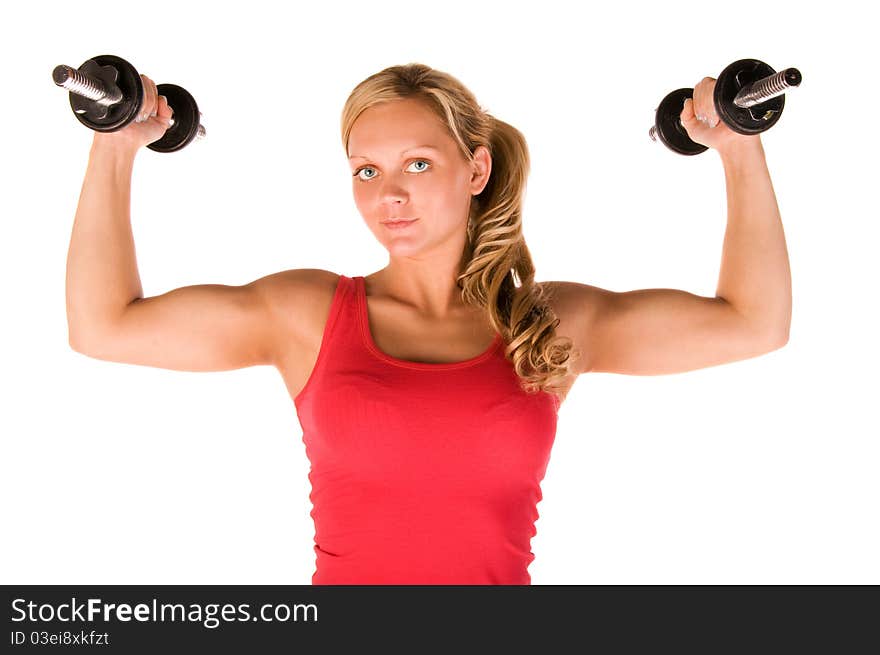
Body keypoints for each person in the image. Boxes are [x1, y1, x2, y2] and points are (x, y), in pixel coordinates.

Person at [66, 64, 791, 585]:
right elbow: (103, 325)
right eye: (366, 171)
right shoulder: (307, 314)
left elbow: (754, 323)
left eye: (417, 162)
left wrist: (738, 147)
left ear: (476, 170)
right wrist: (115, 147)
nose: (390, 195)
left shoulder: (546, 324)